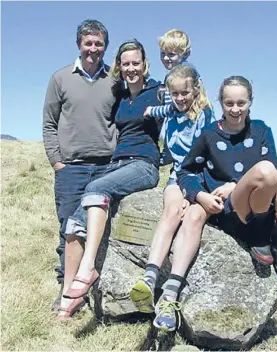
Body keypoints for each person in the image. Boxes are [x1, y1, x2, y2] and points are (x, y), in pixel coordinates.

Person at [165, 75, 277, 331]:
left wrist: (237, 183)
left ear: (250, 102)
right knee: (265, 170)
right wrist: (201, 196)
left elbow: (273, 170)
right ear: (220, 102)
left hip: (262, 203)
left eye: (241, 103)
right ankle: (260, 238)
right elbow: (186, 172)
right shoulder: (209, 134)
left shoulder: (261, 130)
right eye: (229, 103)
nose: (235, 109)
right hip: (233, 212)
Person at [55, 39, 164, 320]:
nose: (131, 68)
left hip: (143, 165)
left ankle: (88, 267)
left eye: (135, 63)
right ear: (120, 66)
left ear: (144, 64)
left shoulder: (158, 92)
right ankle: (69, 295)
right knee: (72, 223)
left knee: (94, 188)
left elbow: (186, 108)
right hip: (115, 164)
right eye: (125, 63)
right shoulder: (119, 95)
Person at [42, 19, 122, 311]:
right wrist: (57, 162)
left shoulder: (115, 81)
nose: (93, 49)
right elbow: (49, 124)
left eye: (98, 44)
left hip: (106, 167)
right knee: (69, 228)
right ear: (79, 44)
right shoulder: (60, 78)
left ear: (105, 47)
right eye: (88, 43)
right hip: (71, 169)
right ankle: (67, 290)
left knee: (101, 230)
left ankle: (94, 286)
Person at [129, 64, 214, 331]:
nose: (180, 99)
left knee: (190, 217)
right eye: (174, 93)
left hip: (200, 179)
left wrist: (196, 192)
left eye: (185, 93)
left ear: (195, 90)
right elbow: (156, 110)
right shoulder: (171, 110)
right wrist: (147, 110)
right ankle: (150, 276)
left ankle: (170, 294)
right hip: (176, 176)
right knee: (171, 211)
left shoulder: (205, 116)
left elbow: (208, 153)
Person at [144, 29, 198, 165]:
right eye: (163, 54)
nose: (166, 58)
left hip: (185, 124)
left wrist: (152, 110)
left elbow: (174, 107)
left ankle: (172, 158)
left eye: (171, 54)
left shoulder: (179, 76)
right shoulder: (189, 71)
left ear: (185, 54)